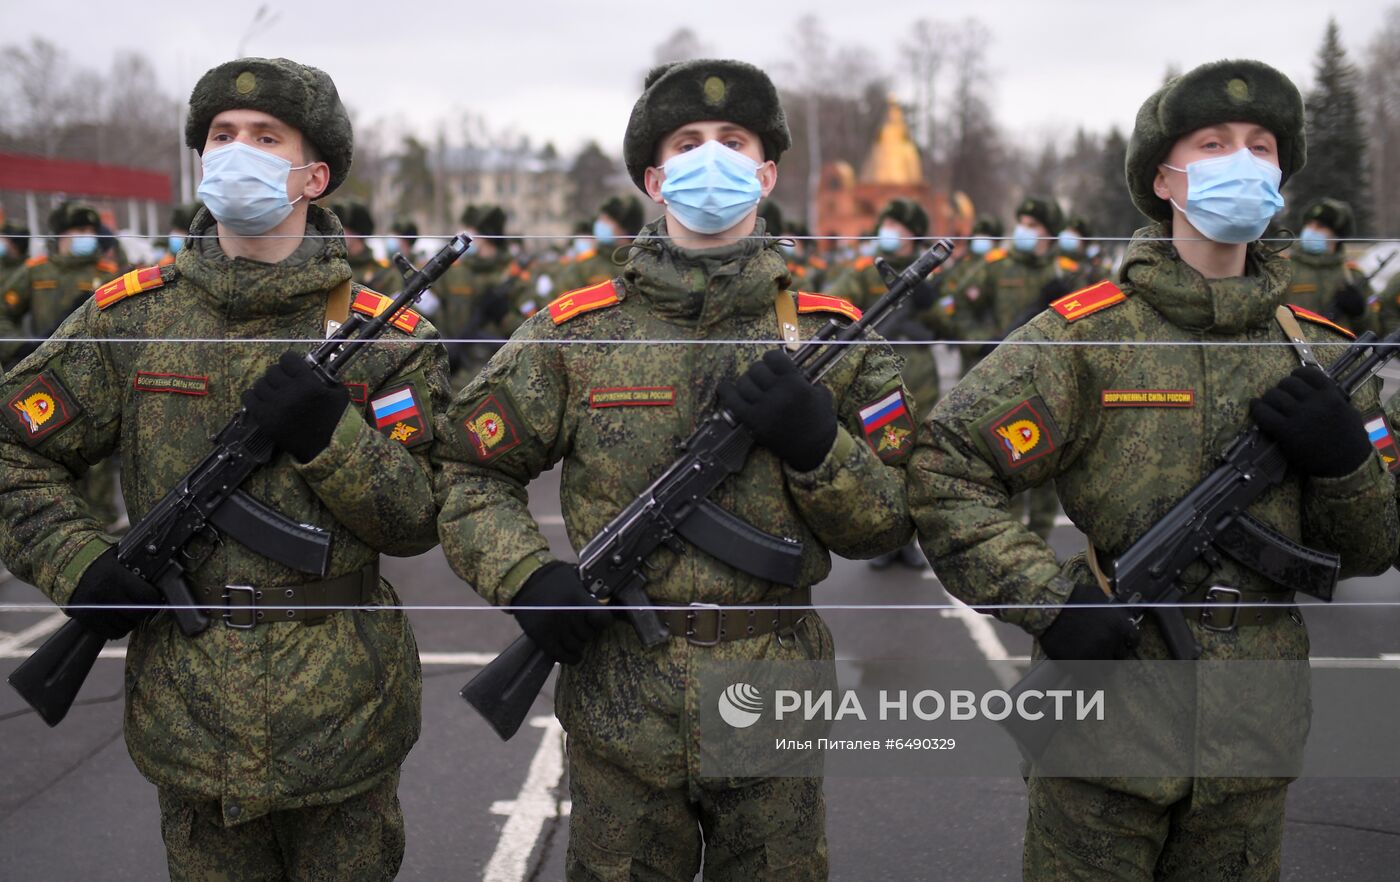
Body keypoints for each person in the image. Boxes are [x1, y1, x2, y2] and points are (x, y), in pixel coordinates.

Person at [909, 59, 1396, 881]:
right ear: (1164, 178)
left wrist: (1348, 462)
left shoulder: (1323, 354)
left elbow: (1376, 545)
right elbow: (944, 467)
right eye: (1212, 143)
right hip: (1106, 722)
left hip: (1251, 735)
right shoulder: (1085, 339)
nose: (1241, 161)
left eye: (1261, 146)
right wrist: (1052, 603)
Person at [435, 57, 915, 881]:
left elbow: (892, 524)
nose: (712, 157)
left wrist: (816, 446)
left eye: (733, 141)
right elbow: (467, 471)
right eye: (688, 143)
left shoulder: (835, 338)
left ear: (765, 173)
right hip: (620, 690)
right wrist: (526, 577)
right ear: (656, 179)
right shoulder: (576, 333)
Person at [0, 57, 448, 880]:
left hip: (344, 710)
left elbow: (420, 518)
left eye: (265, 136)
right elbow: (10, 450)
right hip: (189, 710)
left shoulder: (389, 337)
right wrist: (78, 561)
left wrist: (328, 436)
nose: (236, 150)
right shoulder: (132, 317)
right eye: (221, 135)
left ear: (314, 175)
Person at [0, 201, 120, 369]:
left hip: (91, 369)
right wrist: (18, 347)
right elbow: (3, 312)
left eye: (91, 231)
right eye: (80, 230)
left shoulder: (107, 274)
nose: (88, 236)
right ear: (61, 234)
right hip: (43, 365)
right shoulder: (37, 270)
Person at [436, 203, 531, 388]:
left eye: (473, 230)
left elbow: (534, 330)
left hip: (504, 377)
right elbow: (434, 317)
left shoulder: (515, 275)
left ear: (485, 235)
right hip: (457, 376)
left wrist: (505, 316)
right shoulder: (455, 273)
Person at [1286, 198, 1370, 330]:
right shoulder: (1284, 269)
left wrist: (1360, 313)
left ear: (1337, 235)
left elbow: (1375, 330)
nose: (1311, 230)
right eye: (1309, 224)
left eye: (1320, 226)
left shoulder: (1352, 275)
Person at [555, 195, 646, 291]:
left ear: (624, 226)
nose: (599, 224)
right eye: (600, 219)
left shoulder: (645, 262)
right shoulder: (584, 266)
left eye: (607, 220)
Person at [334, 200, 403, 294]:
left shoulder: (383, 275)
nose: (334, 235)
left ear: (356, 233)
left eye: (342, 229)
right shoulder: (329, 267)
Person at [158, 203, 203, 267]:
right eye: (175, 229)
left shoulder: (199, 262)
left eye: (179, 230)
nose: (174, 234)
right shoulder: (167, 261)